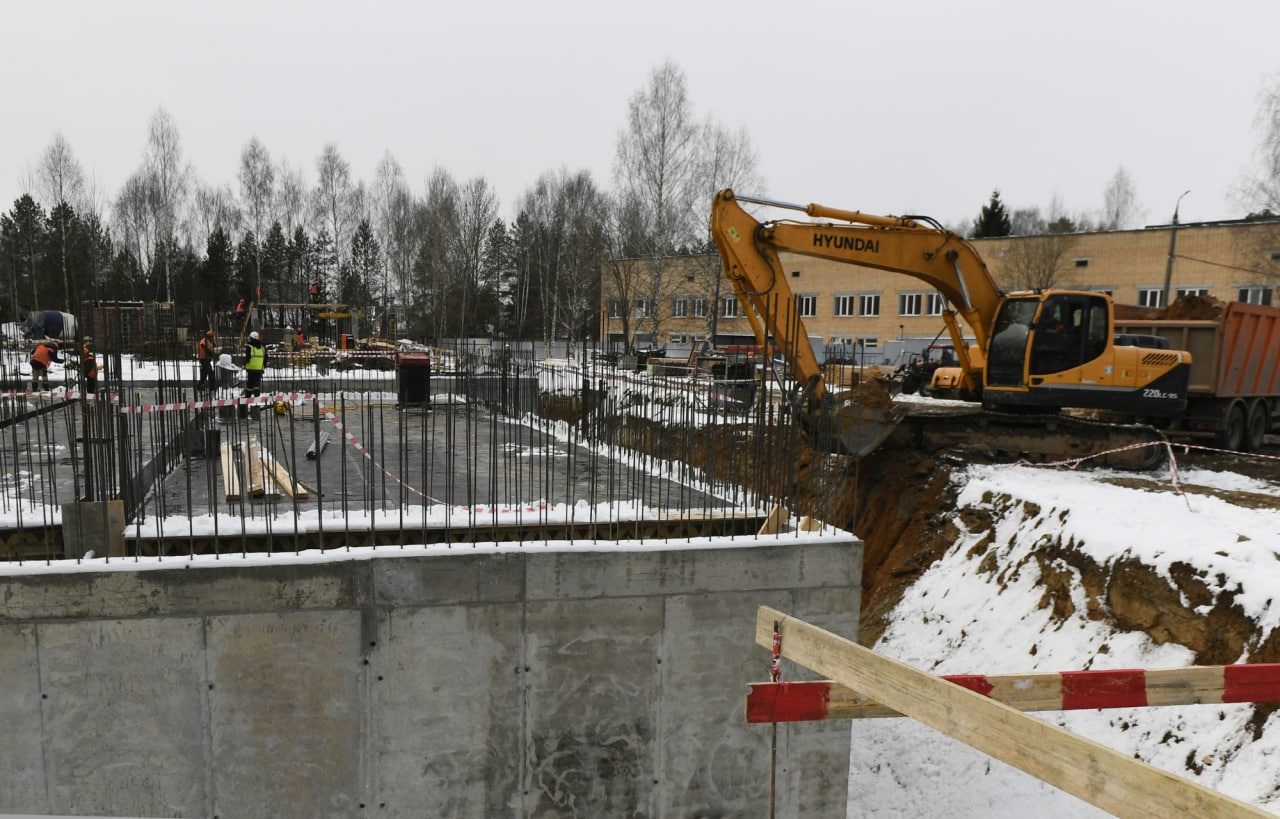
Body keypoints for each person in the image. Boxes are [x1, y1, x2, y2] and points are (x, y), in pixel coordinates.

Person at [242, 330, 266, 415]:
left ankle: (247, 399)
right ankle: (257, 400)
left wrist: (243, 364)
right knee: (257, 384)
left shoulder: (249, 346)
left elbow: (248, 357)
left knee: (250, 384)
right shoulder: (262, 347)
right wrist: (263, 367)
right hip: (259, 369)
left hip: (251, 369)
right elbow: (265, 358)